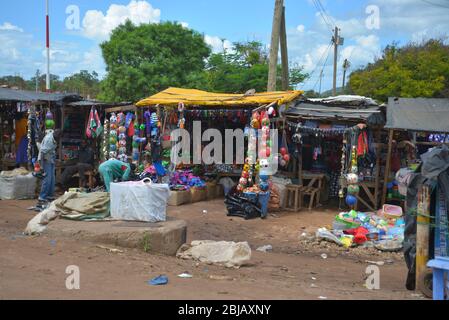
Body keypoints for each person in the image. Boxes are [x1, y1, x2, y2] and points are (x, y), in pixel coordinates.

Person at [37, 129, 61, 204]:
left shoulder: (53, 136)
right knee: (47, 179)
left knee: (52, 179)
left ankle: (50, 196)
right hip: (45, 160)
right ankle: (42, 197)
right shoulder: (49, 140)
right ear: (55, 135)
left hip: (51, 159)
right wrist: (41, 166)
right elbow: (42, 153)